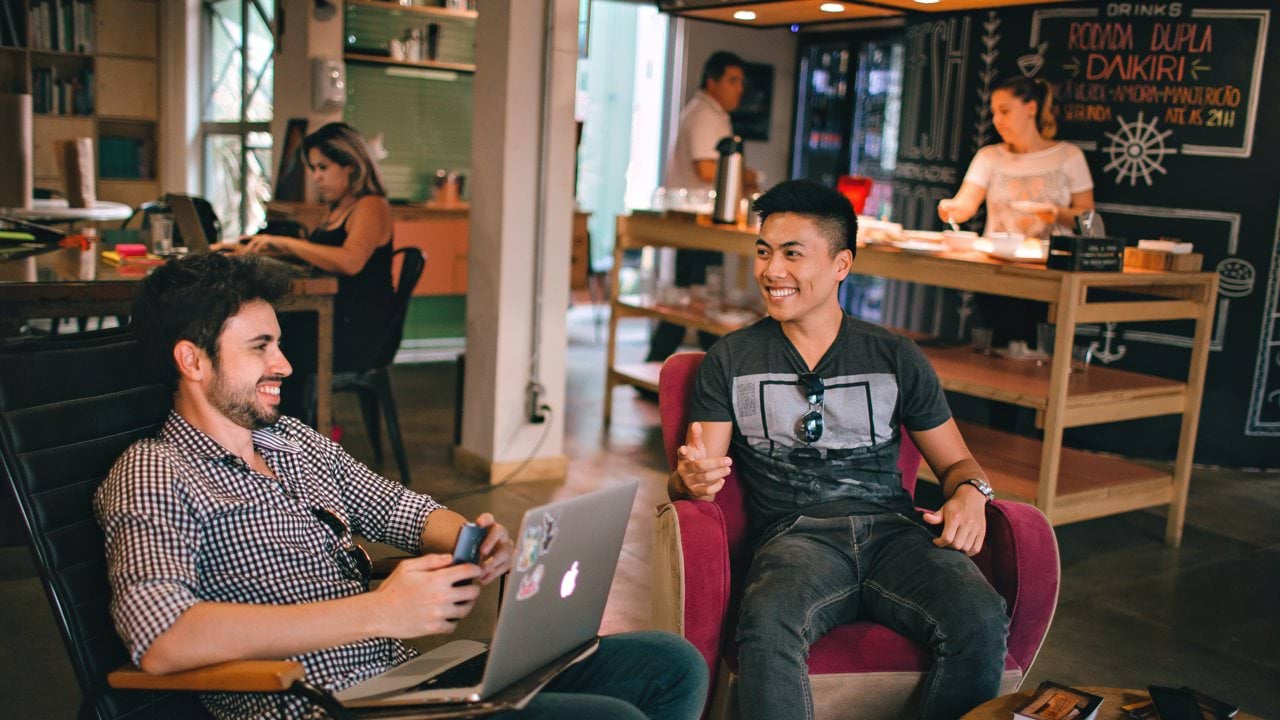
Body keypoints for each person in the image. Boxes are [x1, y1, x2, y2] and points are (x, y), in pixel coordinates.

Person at [96, 253, 708, 720]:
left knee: (670, 664)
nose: (284, 364)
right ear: (193, 360)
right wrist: (378, 611)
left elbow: (396, 508)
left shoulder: (291, 441)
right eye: (261, 347)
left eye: (278, 344)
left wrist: (470, 539)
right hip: (321, 706)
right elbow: (162, 638)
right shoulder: (155, 472)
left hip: (401, 682)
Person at [670, 180, 1009, 720]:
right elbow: (698, 475)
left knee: (981, 616)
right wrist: (688, 481)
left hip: (898, 535)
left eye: (792, 254)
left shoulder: (895, 356)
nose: (771, 271)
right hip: (795, 538)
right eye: (764, 252)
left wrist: (972, 491)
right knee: (767, 624)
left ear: (841, 264)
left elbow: (957, 463)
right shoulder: (731, 359)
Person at [214, 122, 396, 419]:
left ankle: (285, 427)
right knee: (265, 335)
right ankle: (270, 423)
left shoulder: (371, 206)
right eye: (313, 168)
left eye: (323, 167)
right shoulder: (338, 208)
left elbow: (350, 261)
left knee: (272, 344)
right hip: (335, 316)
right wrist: (253, 248)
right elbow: (320, 256)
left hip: (357, 330)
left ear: (350, 165)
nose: (316, 177)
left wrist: (285, 243)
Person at [646, 51, 759, 365]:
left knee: (698, 298)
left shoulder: (712, 113)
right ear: (712, 81)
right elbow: (707, 168)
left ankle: (703, 366)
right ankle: (694, 367)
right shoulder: (704, 114)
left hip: (704, 223)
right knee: (695, 299)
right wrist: (746, 175)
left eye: (741, 82)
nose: (739, 89)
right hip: (698, 223)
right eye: (733, 81)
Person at [937, 76, 1094, 237]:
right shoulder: (988, 156)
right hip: (996, 251)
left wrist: (1057, 213)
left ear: (1031, 108)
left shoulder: (1069, 155)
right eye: (994, 113)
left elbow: (1088, 218)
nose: (997, 120)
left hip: (1051, 252)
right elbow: (966, 204)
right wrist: (952, 209)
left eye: (1005, 111)